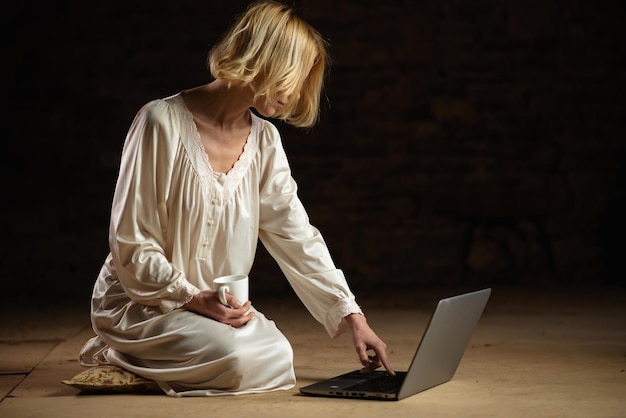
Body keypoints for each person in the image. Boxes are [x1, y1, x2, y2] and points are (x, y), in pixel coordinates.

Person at [79, 0, 394, 397]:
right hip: (145, 302)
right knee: (238, 359)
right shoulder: (159, 123)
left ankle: (167, 359)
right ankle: (117, 352)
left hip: (218, 311)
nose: (295, 94)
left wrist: (352, 316)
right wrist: (190, 296)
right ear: (262, 57)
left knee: (278, 355)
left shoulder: (264, 141)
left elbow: (296, 234)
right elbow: (131, 243)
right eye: (293, 76)